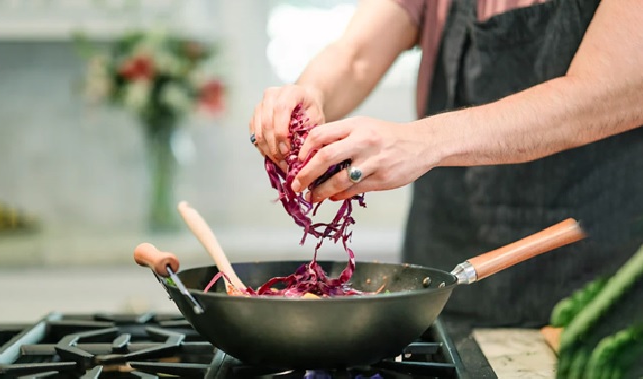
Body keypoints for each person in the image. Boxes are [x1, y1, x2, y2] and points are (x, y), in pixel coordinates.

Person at [249, 0, 643, 327]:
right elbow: (355, 56)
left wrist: (423, 140)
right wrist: (309, 94)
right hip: (445, 255)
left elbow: (607, 92)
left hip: (593, 274)